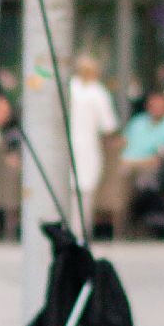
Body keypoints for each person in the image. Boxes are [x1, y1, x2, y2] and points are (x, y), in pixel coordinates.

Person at [65, 54, 120, 223]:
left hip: (67, 147)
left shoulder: (69, 88)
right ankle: (80, 229)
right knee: (85, 192)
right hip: (88, 148)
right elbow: (109, 126)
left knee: (67, 189)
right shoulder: (98, 92)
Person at [122, 90, 164, 171]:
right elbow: (124, 140)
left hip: (148, 165)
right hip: (126, 162)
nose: (156, 108)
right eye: (153, 105)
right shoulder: (137, 121)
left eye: (160, 106)